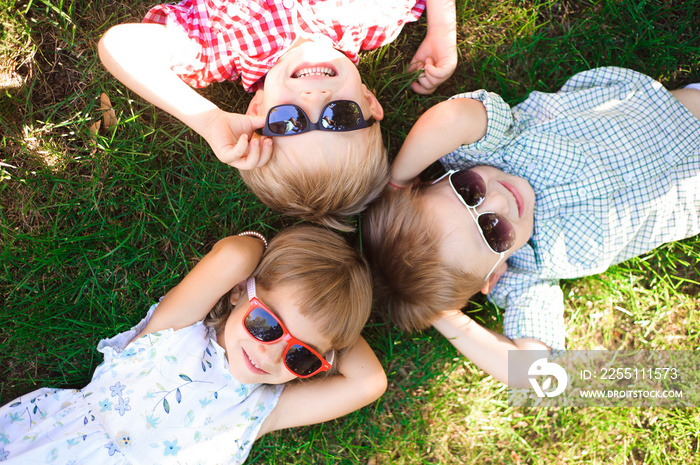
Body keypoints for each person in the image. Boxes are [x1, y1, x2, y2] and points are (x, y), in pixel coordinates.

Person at [362, 66, 700, 387]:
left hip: (683, 110)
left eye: (468, 191)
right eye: (494, 232)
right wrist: (441, 315)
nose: (497, 201)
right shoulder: (527, 274)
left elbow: (452, 118)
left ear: (439, 177)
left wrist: (397, 180)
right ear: (493, 276)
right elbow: (532, 371)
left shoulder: (496, 148)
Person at [0, 226, 387, 463]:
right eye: (265, 324)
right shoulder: (175, 328)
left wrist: (335, 327)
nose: (269, 353)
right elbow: (236, 255)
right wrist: (261, 249)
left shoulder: (263, 409)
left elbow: (369, 383)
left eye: (300, 356)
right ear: (238, 291)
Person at [97, 0, 458, 230]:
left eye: (288, 121)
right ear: (369, 100)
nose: (315, 97)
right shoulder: (373, 17)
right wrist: (441, 30)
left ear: (257, 111)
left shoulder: (221, 46)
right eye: (342, 116)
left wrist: (206, 119)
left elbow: (120, 46)